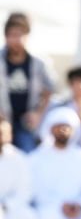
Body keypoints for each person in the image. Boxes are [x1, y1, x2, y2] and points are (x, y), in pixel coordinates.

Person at [0, 11, 55, 152]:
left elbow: (50, 90)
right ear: (6, 37)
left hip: (27, 123)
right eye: (13, 35)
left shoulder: (39, 62)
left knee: (28, 155)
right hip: (3, 121)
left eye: (20, 35)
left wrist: (38, 113)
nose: (17, 40)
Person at [0, 117, 37, 219]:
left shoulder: (20, 159)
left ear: (10, 135)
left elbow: (25, 190)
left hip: (12, 210)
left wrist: (6, 206)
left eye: (2, 133)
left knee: (27, 218)